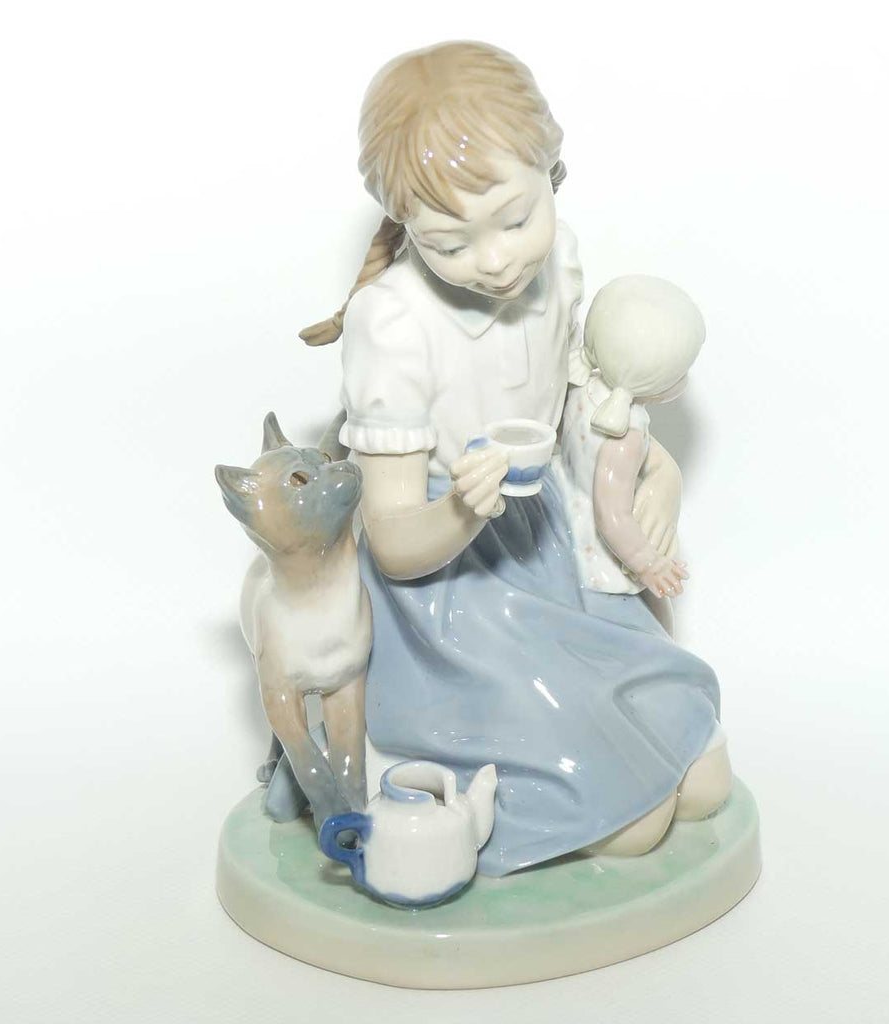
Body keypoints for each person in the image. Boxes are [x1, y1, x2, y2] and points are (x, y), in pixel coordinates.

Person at [302, 41, 730, 875]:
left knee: (703, 783)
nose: (496, 259)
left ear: (550, 173)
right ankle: (426, 794)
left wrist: (659, 474)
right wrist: (466, 507)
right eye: (449, 243)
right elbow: (394, 541)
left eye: (515, 218)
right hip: (452, 596)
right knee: (633, 825)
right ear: (406, 225)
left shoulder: (559, 259)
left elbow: (577, 417)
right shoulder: (393, 325)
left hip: (547, 542)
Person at [556, 275, 703, 600]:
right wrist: (649, 563)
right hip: (594, 541)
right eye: (681, 373)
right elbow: (612, 515)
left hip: (561, 494)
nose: (685, 380)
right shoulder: (625, 437)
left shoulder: (585, 387)